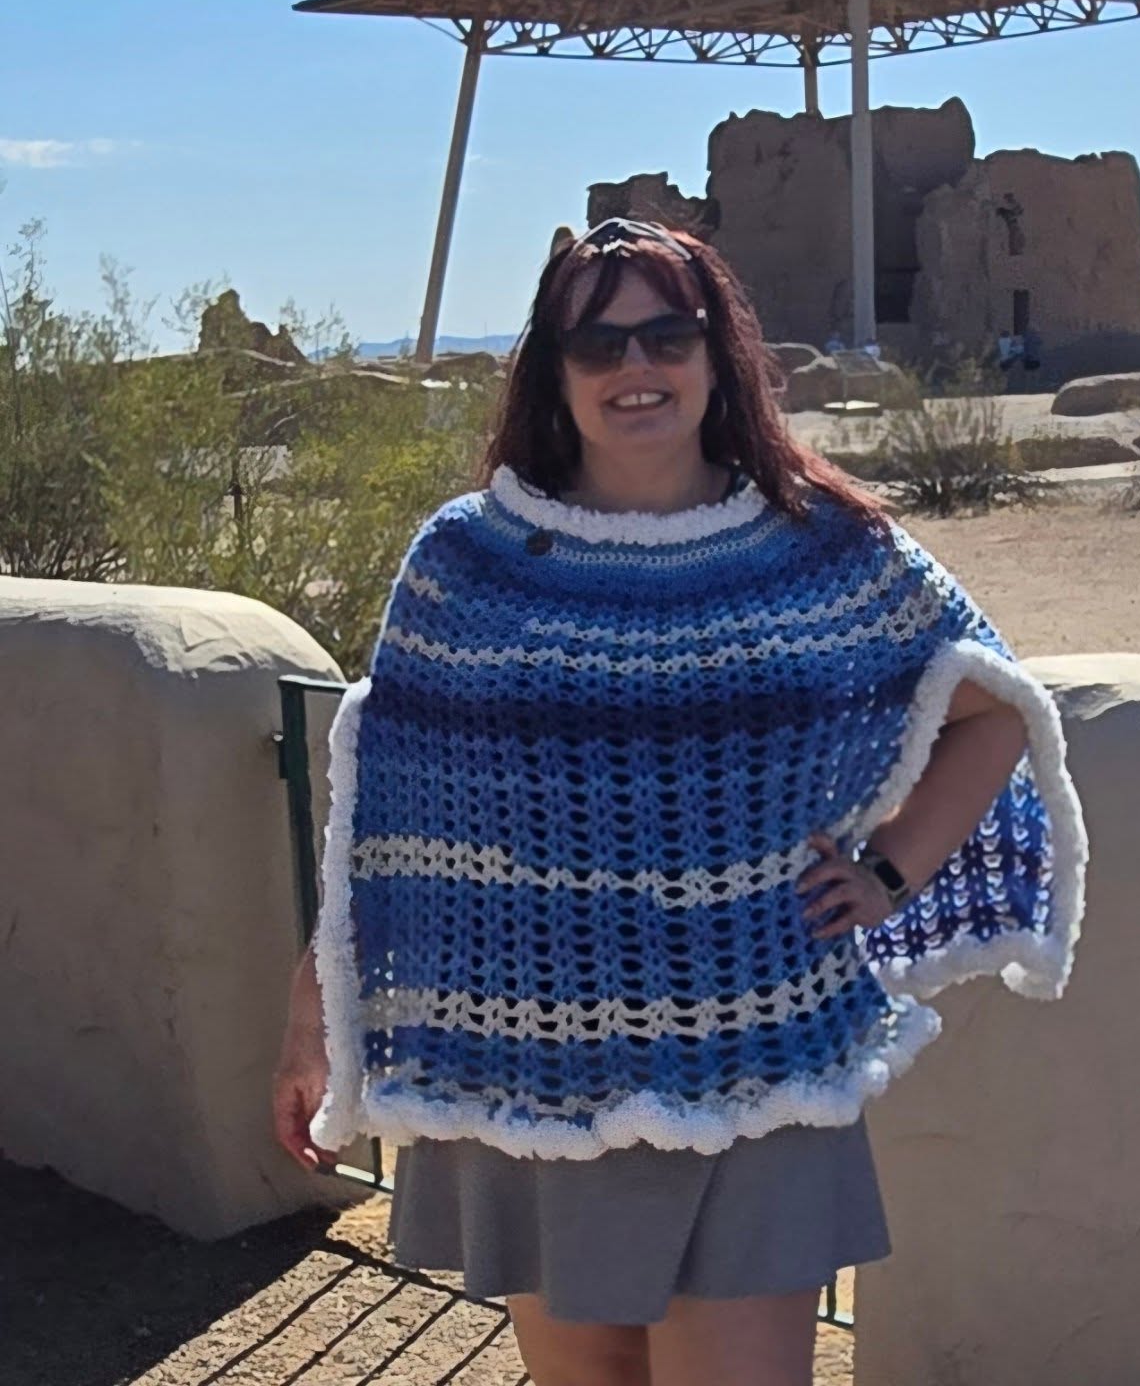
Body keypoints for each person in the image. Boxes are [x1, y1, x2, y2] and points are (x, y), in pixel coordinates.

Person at [272, 218, 1088, 1386]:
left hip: (758, 1061)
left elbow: (992, 704)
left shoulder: (824, 546)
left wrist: (891, 872)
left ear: (719, 355)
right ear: (553, 368)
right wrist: (315, 1011)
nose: (635, 368)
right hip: (528, 1071)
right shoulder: (468, 562)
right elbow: (387, 827)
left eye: (667, 334)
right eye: (597, 343)